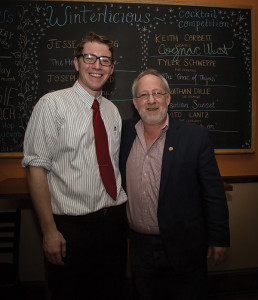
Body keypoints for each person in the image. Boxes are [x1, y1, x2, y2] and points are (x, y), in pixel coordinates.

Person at [22, 32, 128, 300]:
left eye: (105, 60)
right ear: (76, 62)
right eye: (90, 57)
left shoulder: (112, 111)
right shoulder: (51, 105)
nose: (97, 65)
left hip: (114, 223)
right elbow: (36, 169)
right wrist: (48, 231)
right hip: (71, 229)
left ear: (112, 68)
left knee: (111, 292)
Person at [119, 69, 230, 300]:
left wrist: (219, 238)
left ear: (168, 98)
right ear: (135, 102)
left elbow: (213, 193)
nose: (151, 100)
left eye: (157, 93)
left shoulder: (195, 136)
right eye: (144, 95)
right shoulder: (122, 134)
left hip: (185, 248)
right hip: (139, 249)